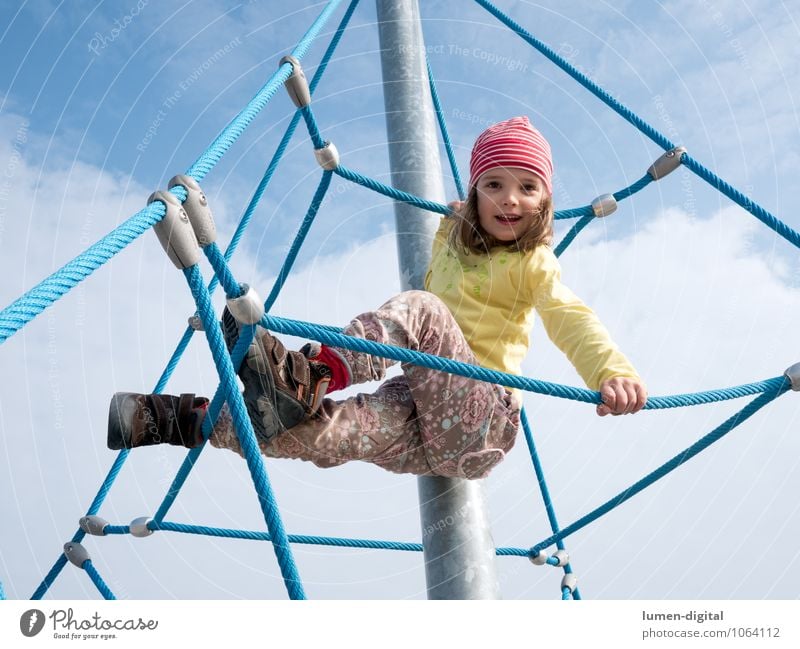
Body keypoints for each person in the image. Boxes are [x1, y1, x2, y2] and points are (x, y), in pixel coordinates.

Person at [107, 116, 647, 479]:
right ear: (474, 192)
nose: (511, 199)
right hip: (420, 412)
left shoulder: (535, 263)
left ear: (546, 201)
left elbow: (571, 318)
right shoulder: (451, 235)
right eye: (494, 185)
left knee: (422, 309)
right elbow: (454, 227)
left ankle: (312, 372)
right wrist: (458, 220)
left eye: (528, 188)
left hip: (483, 421)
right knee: (314, 431)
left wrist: (611, 373)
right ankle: (181, 420)